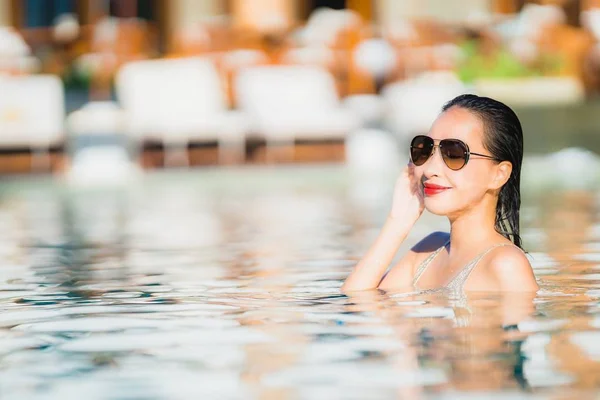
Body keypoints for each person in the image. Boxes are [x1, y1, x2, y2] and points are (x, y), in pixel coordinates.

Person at [342, 94, 539, 293]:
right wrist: (398, 222)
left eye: (453, 153)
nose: (429, 169)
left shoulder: (506, 265)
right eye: (425, 150)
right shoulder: (428, 250)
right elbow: (357, 303)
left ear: (499, 174)